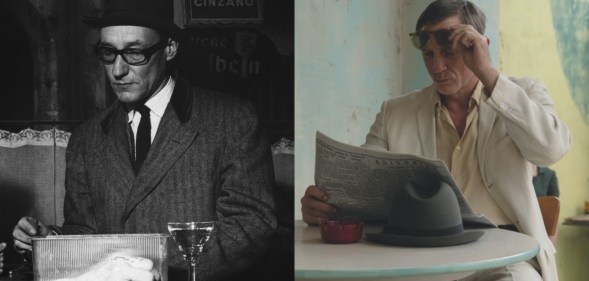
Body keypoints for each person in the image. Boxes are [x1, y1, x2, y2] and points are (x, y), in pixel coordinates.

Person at [301, 1, 571, 281]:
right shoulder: (396, 112)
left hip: (507, 262)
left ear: (478, 47)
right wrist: (324, 208)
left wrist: (488, 74)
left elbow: (551, 149)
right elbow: (363, 186)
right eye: (428, 54)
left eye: (448, 52)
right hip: (422, 260)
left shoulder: (523, 93)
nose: (437, 66)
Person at [11, 0, 277, 280]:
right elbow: (85, 232)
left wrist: (150, 263)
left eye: (135, 52)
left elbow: (251, 225)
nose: (117, 70)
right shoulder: (86, 139)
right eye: (108, 52)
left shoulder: (231, 119)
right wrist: (49, 241)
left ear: (170, 48)